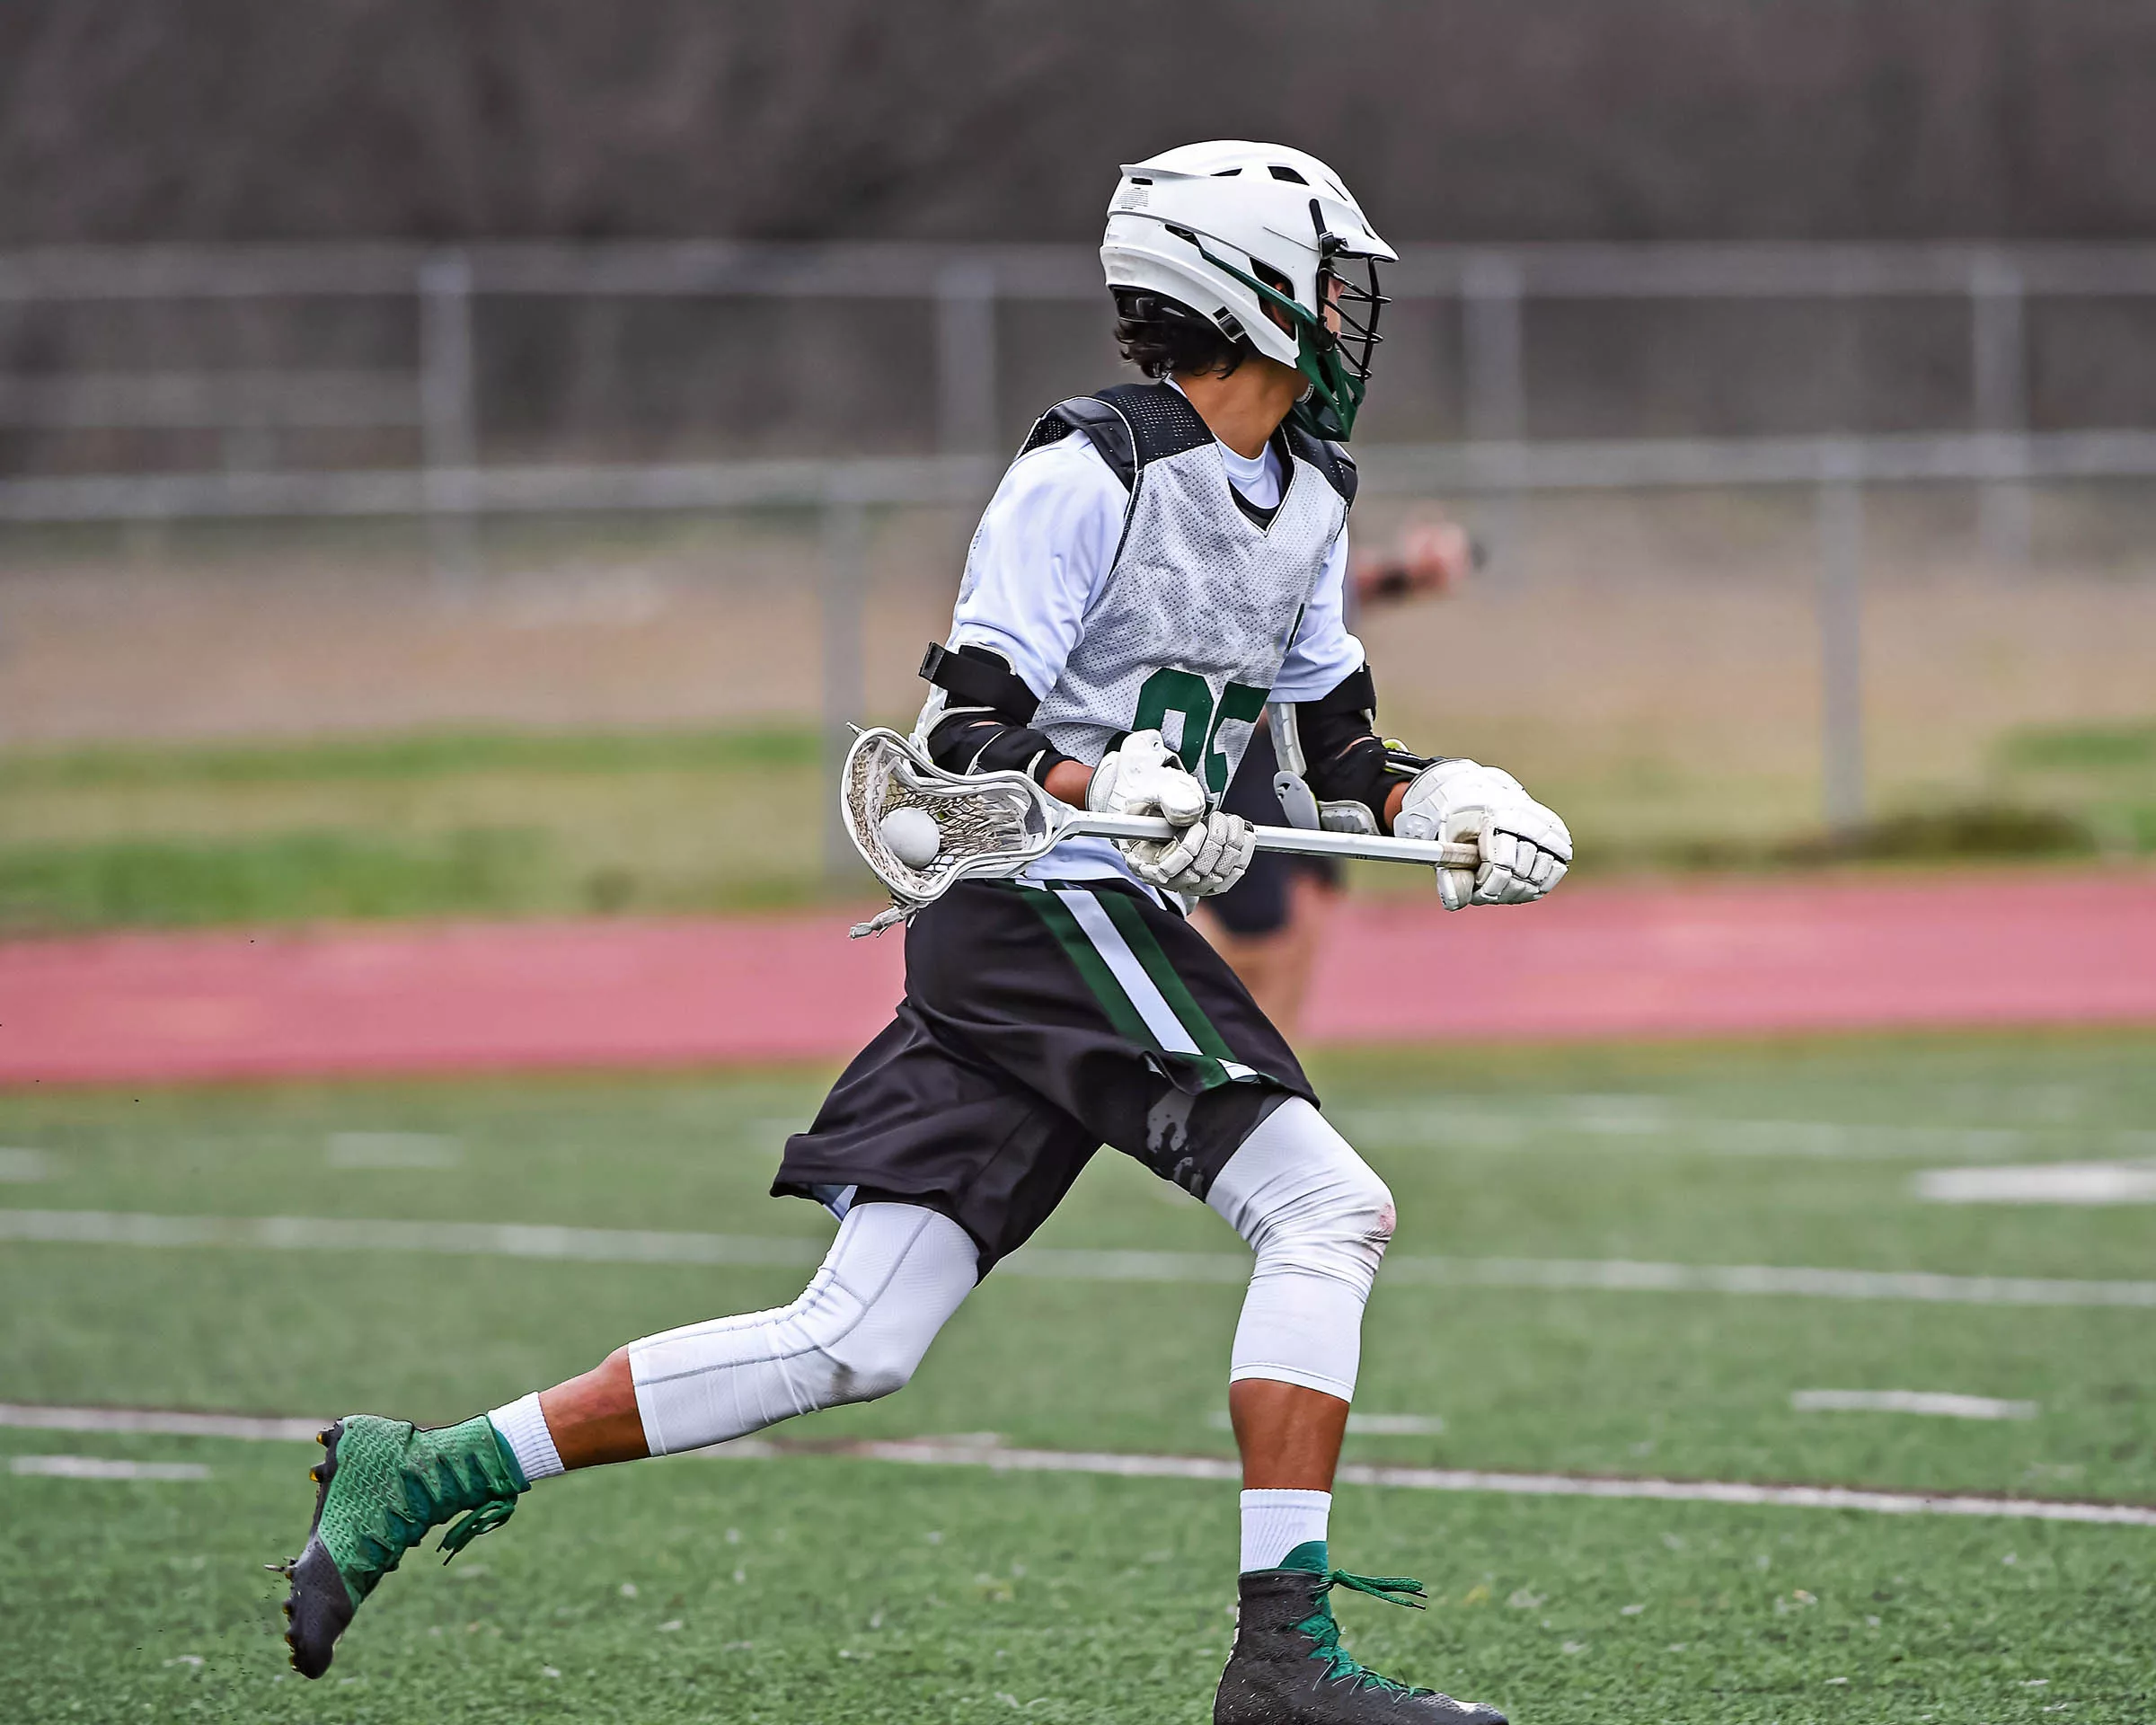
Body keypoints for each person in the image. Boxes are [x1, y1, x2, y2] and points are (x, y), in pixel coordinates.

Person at [272, 141, 1570, 1725]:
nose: (1354, 322)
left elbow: (1338, 760)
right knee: (1328, 1213)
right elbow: (962, 743)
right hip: (1030, 908)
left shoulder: (1312, 497)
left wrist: (1450, 808)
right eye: (1331, 287)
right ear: (1246, 293)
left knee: (854, 1338)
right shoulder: (1090, 468)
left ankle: (425, 1470)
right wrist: (1112, 781)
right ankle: (1284, 1664)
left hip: (1080, 923)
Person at [1197, 516, 1478, 1034]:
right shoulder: (1219, 526)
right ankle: (1207, 1058)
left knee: (1311, 907)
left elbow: (1339, 590)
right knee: (1253, 937)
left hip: (1304, 750)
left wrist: (1414, 573)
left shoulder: (1308, 504)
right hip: (1244, 749)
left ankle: (1278, 1072)